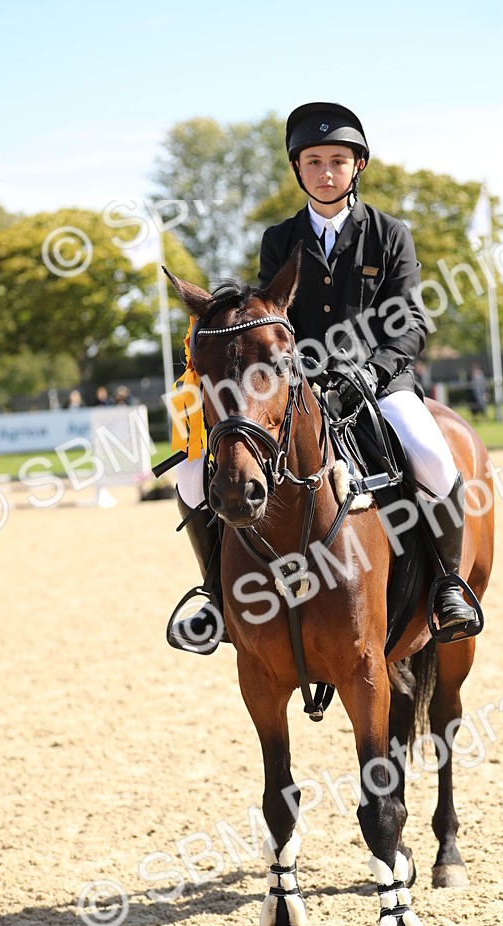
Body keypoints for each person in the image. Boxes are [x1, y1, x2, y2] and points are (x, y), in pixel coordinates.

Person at [172, 101, 482, 653]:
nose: (325, 170)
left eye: (338, 159)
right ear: (299, 169)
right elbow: (270, 318)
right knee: (194, 475)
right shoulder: (280, 239)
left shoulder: (389, 235)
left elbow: (409, 321)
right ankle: (216, 598)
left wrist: (372, 370)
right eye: (313, 161)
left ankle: (447, 585)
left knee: (432, 455)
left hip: (381, 384)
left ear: (357, 166)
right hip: (300, 386)